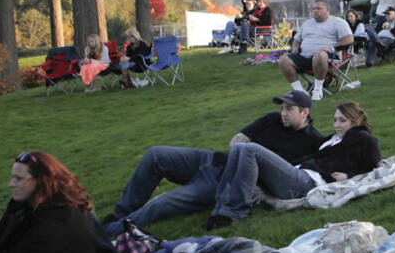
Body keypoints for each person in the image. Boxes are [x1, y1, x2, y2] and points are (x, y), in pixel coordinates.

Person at [101, 91, 324, 235]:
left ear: (304, 112)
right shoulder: (271, 120)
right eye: (282, 108)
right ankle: (121, 212)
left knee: (161, 204)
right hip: (212, 160)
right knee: (156, 154)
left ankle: (110, 231)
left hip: (223, 181)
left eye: (289, 109)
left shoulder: (311, 141)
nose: (283, 113)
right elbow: (237, 140)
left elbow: (288, 175)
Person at [208, 102, 381, 228]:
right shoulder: (331, 139)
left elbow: (373, 168)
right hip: (298, 173)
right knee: (239, 148)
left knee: (249, 149)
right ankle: (221, 209)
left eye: (342, 120)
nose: (337, 125)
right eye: (335, 120)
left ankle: (235, 212)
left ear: (356, 121)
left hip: (308, 183)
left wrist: (348, 176)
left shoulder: (364, 139)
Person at [279, 0, 354, 100]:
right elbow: (296, 40)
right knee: (283, 59)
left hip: (328, 58)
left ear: (327, 9)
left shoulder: (338, 22)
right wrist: (295, 47)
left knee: (320, 55)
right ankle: (299, 91)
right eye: (313, 8)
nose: (315, 11)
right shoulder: (307, 24)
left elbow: (349, 39)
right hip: (305, 57)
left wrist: (332, 48)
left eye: (318, 8)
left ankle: (317, 90)